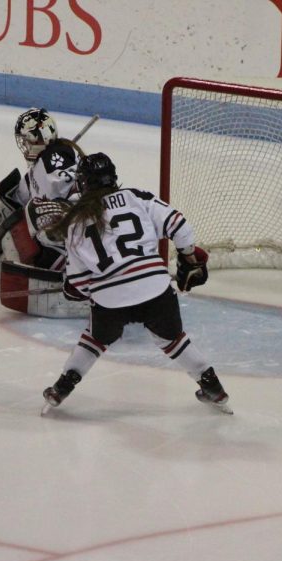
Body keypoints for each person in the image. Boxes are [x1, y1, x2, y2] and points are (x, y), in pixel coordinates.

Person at [40, 153, 231, 415]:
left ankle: (62, 387)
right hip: (155, 287)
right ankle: (213, 387)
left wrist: (77, 290)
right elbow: (179, 225)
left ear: (83, 183)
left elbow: (80, 281)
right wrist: (188, 257)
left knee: (95, 339)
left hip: (110, 298)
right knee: (171, 340)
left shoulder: (74, 222)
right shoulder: (135, 197)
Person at [0, 107, 86, 318]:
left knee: (26, 224)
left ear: (40, 136)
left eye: (27, 139)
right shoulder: (38, 167)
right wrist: (1, 202)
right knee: (5, 239)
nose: (25, 145)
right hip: (63, 234)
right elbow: (18, 198)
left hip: (76, 236)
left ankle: (71, 273)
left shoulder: (57, 156)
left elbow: (77, 187)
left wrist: (65, 206)